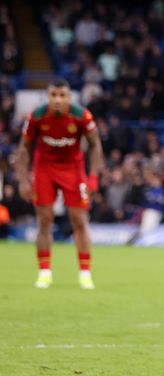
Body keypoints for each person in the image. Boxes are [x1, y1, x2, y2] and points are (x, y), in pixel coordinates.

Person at [14, 78, 103, 289]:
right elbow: (24, 148)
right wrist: (23, 180)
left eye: (62, 96)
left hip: (73, 169)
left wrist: (92, 177)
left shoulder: (82, 116)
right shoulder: (36, 116)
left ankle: (85, 273)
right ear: (48, 96)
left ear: (69, 98)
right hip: (44, 168)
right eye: (53, 95)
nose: (57, 100)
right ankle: (44, 272)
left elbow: (95, 145)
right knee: (44, 219)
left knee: (79, 220)